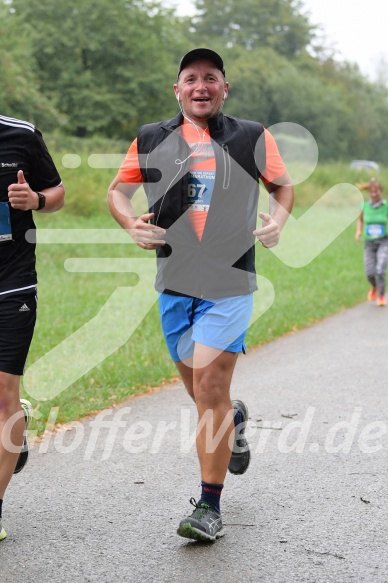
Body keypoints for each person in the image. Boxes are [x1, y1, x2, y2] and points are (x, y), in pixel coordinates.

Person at [107, 48, 294, 542]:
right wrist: (131, 224)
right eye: (191, 78)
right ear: (178, 89)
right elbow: (116, 193)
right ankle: (234, 419)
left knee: (209, 389)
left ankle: (208, 508)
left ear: (224, 87)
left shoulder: (252, 136)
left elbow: (282, 186)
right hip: (174, 281)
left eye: (211, 78)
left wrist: (277, 219)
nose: (201, 86)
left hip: (230, 281)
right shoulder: (152, 138)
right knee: (201, 394)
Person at [0, 114, 65, 541]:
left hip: (12, 283)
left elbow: (57, 192)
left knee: (3, 396)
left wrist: (35, 201)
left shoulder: (20, 134)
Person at [355, 177, 388, 306]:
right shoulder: (364, 206)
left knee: (380, 269)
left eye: (377, 192)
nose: (374, 194)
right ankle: (374, 286)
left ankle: (381, 295)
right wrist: (358, 231)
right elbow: (360, 220)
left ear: (381, 191)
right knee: (369, 273)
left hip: (383, 242)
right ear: (369, 192)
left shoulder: (386, 206)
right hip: (369, 243)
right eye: (372, 192)